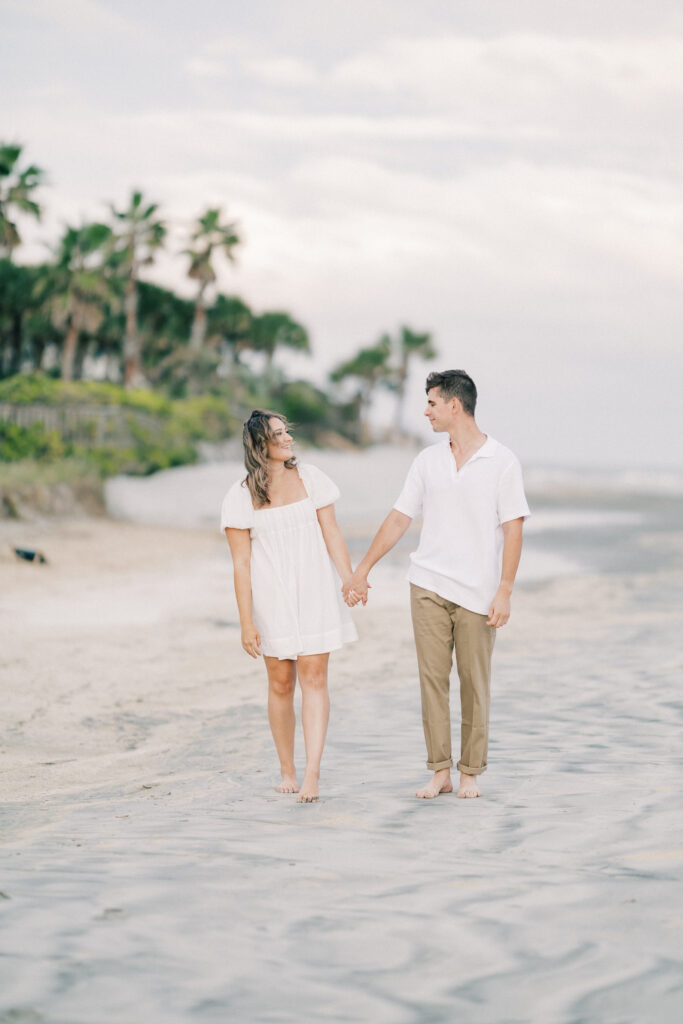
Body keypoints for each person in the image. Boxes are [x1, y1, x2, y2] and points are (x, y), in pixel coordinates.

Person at [343, 370, 529, 800]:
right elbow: (399, 519)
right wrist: (362, 570)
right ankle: (440, 770)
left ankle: (471, 773)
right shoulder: (427, 461)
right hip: (427, 584)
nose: (425, 411)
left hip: (479, 593)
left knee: (474, 683)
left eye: (431, 403)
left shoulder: (502, 461)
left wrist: (505, 589)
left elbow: (513, 529)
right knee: (432, 680)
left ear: (454, 406)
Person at [221, 410, 358, 803]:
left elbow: (331, 532)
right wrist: (246, 622)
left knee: (315, 678)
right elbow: (241, 563)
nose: (287, 438)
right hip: (270, 596)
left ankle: (312, 772)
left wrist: (348, 578)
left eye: (286, 431)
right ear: (259, 444)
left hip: (314, 588)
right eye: (277, 434)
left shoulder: (312, 478)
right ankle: (287, 768)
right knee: (281, 683)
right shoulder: (240, 495)